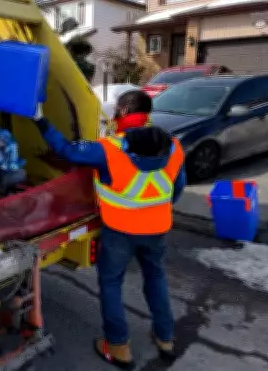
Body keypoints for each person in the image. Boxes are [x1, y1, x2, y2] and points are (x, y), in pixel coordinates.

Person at [32, 90, 186, 369]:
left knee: (112, 284)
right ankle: (165, 339)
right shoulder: (174, 146)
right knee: (156, 280)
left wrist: (40, 120)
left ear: (125, 111)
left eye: (117, 109)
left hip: (119, 232)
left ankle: (119, 348)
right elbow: (177, 188)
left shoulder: (108, 149)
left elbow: (66, 150)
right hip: (158, 230)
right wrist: (157, 209)